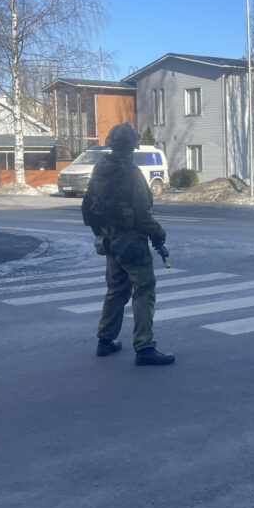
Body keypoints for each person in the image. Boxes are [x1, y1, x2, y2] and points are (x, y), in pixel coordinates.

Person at [82, 123, 174, 366]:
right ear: (132, 147)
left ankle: (105, 340)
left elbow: (88, 208)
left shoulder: (99, 171)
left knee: (116, 290)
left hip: (110, 240)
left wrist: (102, 234)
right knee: (143, 291)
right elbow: (143, 215)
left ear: (111, 144)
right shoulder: (132, 173)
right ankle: (144, 348)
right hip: (131, 242)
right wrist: (159, 234)